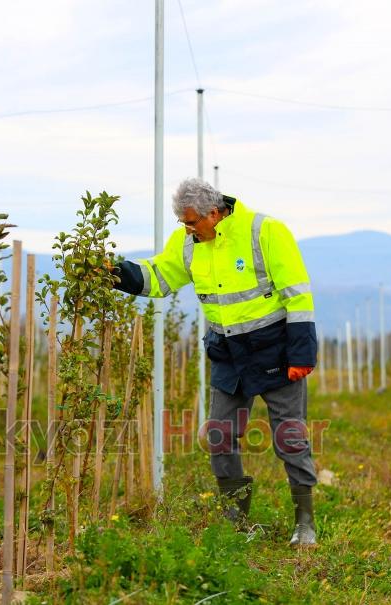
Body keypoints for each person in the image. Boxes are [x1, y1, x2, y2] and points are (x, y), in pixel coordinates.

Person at [111, 178, 318, 547]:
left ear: (215, 213)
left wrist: (302, 354)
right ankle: (236, 519)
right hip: (228, 355)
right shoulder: (188, 242)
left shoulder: (265, 231)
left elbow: (297, 293)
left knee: (290, 436)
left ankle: (305, 522)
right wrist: (114, 273)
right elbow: (158, 278)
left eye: (192, 222)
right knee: (220, 435)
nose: (188, 229)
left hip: (276, 352)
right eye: (183, 224)